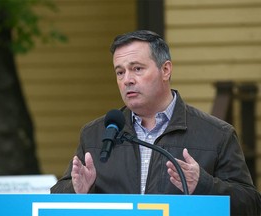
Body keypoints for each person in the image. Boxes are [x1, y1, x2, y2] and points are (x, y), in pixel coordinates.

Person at [51, 30, 261, 215]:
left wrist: (204, 185)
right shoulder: (96, 134)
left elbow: (251, 205)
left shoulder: (217, 134)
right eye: (120, 72)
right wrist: (78, 191)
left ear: (166, 70)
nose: (127, 80)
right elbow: (55, 198)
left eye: (137, 69)